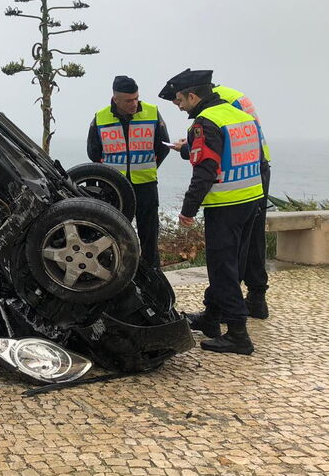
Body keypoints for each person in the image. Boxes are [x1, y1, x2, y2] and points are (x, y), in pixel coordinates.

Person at [159, 69, 264, 355]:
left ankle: (238, 334)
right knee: (235, 262)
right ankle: (211, 319)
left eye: (180, 100)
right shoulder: (241, 116)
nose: (179, 105)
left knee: (222, 268)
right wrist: (188, 148)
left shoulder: (206, 123)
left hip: (225, 205)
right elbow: (235, 154)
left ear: (193, 96)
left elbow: (206, 170)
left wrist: (187, 210)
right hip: (251, 199)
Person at [87, 75, 170, 269]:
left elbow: (163, 146)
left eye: (136, 98)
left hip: (146, 184)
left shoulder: (152, 112)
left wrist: (147, 165)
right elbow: (93, 152)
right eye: (129, 100)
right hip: (113, 187)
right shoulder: (100, 117)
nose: (134, 104)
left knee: (149, 233)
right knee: (114, 233)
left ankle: (152, 272)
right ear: (116, 99)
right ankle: (118, 271)